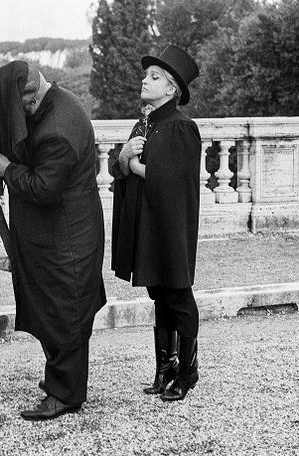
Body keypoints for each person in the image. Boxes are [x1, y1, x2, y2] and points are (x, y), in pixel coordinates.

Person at [0, 61, 106, 420]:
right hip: (60, 232)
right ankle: (61, 384)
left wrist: (7, 170)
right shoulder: (53, 103)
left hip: (66, 236)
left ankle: (65, 396)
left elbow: (45, 188)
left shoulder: (59, 130)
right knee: (56, 306)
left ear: (33, 95)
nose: (22, 116)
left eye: (23, 108)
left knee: (65, 310)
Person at [110, 45, 202, 402]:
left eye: (154, 77)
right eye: (146, 75)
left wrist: (134, 166)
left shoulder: (181, 127)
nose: (144, 80)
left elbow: (174, 181)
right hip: (147, 224)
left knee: (178, 295)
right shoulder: (144, 123)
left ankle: (188, 371)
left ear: (171, 89)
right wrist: (123, 158)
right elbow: (123, 167)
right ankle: (165, 368)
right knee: (159, 296)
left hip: (169, 226)